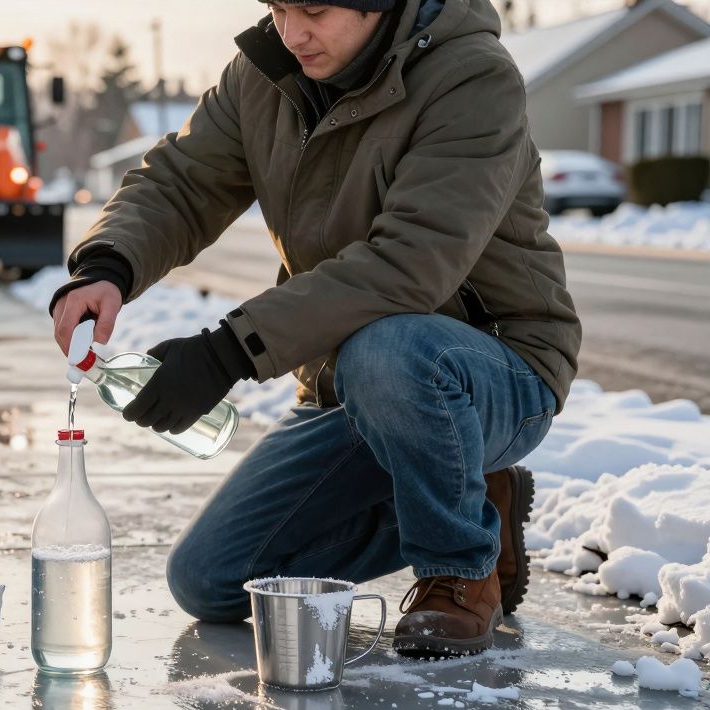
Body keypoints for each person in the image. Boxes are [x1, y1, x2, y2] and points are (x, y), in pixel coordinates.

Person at [49, 0, 581, 658]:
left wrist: (226, 353)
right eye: (277, 8)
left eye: (314, 10)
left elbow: (409, 265)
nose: (291, 32)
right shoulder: (264, 74)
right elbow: (183, 182)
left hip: (489, 370)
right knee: (210, 581)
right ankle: (473, 494)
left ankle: (461, 569)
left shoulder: (471, 80)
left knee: (387, 349)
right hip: (349, 381)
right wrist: (107, 267)